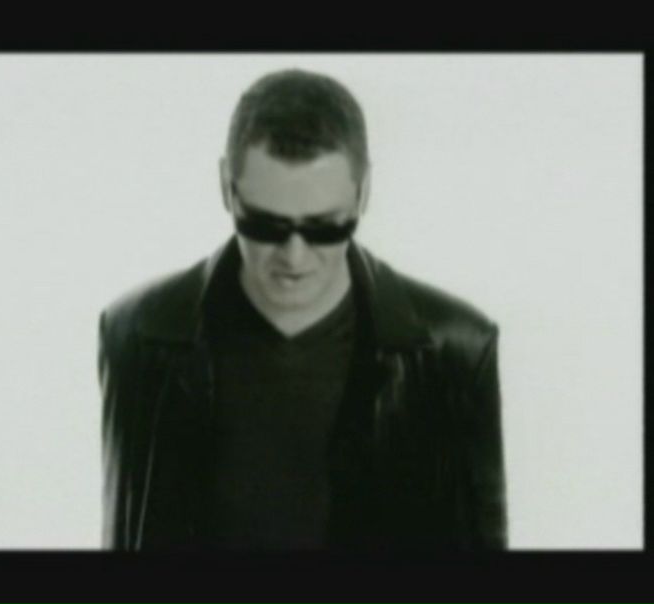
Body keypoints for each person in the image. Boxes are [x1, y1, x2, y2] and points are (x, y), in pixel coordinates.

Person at [98, 68, 507, 551]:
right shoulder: (138, 334)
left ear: (363, 193)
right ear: (227, 187)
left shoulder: (455, 349)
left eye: (325, 228)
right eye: (266, 225)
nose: (294, 257)